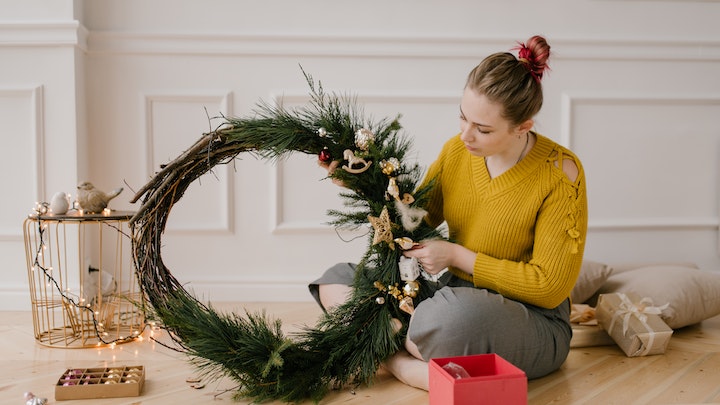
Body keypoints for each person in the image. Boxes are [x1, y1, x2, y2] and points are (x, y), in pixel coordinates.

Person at [310, 35, 587, 390]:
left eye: (483, 129)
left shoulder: (561, 173)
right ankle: (403, 354)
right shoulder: (458, 152)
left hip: (528, 318)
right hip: (448, 294)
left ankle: (389, 354)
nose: (466, 135)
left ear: (523, 127)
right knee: (337, 279)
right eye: (463, 117)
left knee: (450, 321)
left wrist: (456, 255)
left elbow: (549, 288)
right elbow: (416, 221)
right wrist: (362, 183)